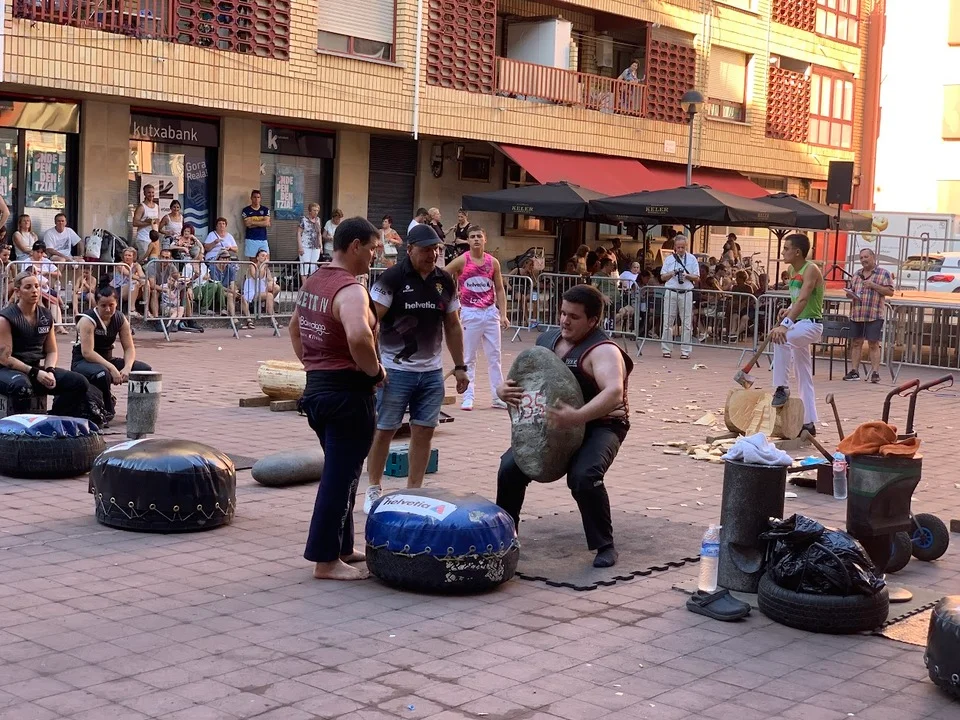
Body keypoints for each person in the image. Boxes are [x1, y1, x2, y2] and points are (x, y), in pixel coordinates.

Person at [496, 284, 634, 568]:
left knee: (584, 476)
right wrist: (503, 391)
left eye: (574, 316)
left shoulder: (604, 350)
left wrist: (578, 416)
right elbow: (525, 379)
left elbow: (614, 393)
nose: (564, 321)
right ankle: (505, 535)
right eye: (562, 313)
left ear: (593, 321)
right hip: (556, 424)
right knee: (510, 468)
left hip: (602, 425)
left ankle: (605, 545)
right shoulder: (547, 341)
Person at [290, 217, 383, 582]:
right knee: (339, 477)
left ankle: (342, 547)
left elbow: (295, 329)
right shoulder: (351, 290)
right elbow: (359, 337)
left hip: (318, 390)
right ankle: (325, 559)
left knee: (344, 471)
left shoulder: (314, 281)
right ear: (355, 245)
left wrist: (314, 365)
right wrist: (375, 373)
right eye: (373, 249)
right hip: (348, 393)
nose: (375, 256)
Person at [362, 223, 470, 513]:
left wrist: (460, 366)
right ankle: (373, 488)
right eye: (425, 250)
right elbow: (370, 323)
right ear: (409, 249)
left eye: (435, 249)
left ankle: (414, 491)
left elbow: (453, 325)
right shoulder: (391, 279)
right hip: (394, 372)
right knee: (385, 429)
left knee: (424, 432)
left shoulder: (445, 281)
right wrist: (373, 366)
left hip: (432, 374)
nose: (432, 254)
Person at [0, 271, 91, 413]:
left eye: (37, 286)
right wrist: (35, 373)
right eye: (28, 287)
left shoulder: (46, 315)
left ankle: (55, 418)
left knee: (79, 382)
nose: (34, 291)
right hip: (8, 371)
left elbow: (51, 351)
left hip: (35, 369)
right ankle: (19, 426)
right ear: (17, 292)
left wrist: (49, 371)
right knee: (22, 387)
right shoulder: (5, 318)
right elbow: (5, 358)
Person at [445, 225, 509, 411]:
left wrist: (503, 314)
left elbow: (499, 289)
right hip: (470, 312)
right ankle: (468, 396)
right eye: (472, 236)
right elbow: (443, 273)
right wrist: (451, 294)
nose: (476, 239)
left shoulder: (493, 262)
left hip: (489, 312)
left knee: (494, 356)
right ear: (468, 240)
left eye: (479, 236)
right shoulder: (462, 260)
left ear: (485, 239)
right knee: (468, 357)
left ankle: (497, 396)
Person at [769, 233, 825, 437]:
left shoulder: (811, 269)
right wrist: (789, 310)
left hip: (811, 325)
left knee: (781, 339)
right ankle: (809, 422)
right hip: (800, 323)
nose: (783, 252)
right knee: (803, 374)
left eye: (786, 248)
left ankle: (781, 387)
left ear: (798, 252)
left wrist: (785, 325)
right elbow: (797, 301)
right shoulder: (793, 270)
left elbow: (804, 300)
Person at [71, 285, 151, 423]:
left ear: (116, 303)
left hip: (107, 359)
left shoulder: (120, 319)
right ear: (96, 304)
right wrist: (112, 368)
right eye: (103, 306)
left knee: (144, 370)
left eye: (111, 305)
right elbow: (87, 352)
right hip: (84, 361)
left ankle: (137, 410)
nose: (108, 309)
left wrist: (127, 367)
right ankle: (108, 408)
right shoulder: (87, 320)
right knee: (103, 374)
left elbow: (129, 348)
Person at [845, 248, 894, 383]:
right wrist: (849, 294)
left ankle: (875, 373)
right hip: (857, 314)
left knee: (873, 343)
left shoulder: (883, 273)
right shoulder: (856, 274)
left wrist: (873, 285)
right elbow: (851, 290)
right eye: (861, 258)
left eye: (866, 257)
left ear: (873, 257)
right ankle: (854, 371)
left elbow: (890, 292)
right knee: (856, 342)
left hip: (874, 314)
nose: (863, 260)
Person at [659, 233, 699, 359]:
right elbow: (662, 277)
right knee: (667, 322)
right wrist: (672, 273)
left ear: (686, 246)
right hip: (671, 291)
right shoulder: (669, 259)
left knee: (687, 323)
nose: (680, 250)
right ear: (675, 247)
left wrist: (687, 275)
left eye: (683, 247)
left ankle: (685, 351)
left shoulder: (692, 259)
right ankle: (666, 349)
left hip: (686, 292)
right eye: (678, 247)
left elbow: (697, 277)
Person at [242, 248, 278, 329]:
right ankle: (272, 318)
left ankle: (268, 309)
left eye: (266, 256)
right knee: (269, 295)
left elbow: (270, 279)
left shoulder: (266, 269)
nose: (265, 258)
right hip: (252, 292)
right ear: (257, 258)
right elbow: (257, 276)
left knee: (276, 288)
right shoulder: (252, 266)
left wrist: (271, 283)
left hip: (261, 291)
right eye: (262, 256)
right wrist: (263, 266)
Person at [112, 247, 146, 319]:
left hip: (131, 288)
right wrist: (140, 279)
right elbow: (129, 274)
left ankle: (147, 310)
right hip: (119, 289)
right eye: (125, 255)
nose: (127, 257)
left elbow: (142, 276)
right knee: (135, 283)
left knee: (147, 284)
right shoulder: (120, 265)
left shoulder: (136, 265)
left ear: (134, 257)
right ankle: (132, 310)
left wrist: (143, 280)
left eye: (129, 255)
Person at [132, 185, 161, 259]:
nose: (151, 194)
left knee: (154, 259)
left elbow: (157, 222)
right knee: (144, 259)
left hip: (154, 239)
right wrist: (148, 222)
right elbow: (135, 223)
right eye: (149, 192)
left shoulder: (156, 206)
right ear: (144, 193)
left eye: (152, 192)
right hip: (143, 238)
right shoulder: (141, 207)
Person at [241, 189, 271, 260]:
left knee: (266, 260)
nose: (256, 199)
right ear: (251, 198)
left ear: (260, 198)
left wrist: (252, 222)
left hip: (263, 239)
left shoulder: (265, 210)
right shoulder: (246, 210)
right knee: (253, 262)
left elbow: (266, 223)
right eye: (254, 197)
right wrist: (261, 222)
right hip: (251, 239)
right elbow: (247, 224)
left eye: (258, 197)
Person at [297, 202, 324, 282]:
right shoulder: (304, 219)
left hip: (316, 246)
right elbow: (298, 233)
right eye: (314, 210)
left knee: (314, 267)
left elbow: (319, 233)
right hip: (305, 246)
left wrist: (321, 246)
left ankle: (312, 286)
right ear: (310, 211)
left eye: (317, 210)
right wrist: (300, 246)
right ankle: (304, 286)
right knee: (304, 267)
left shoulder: (318, 220)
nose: (316, 212)